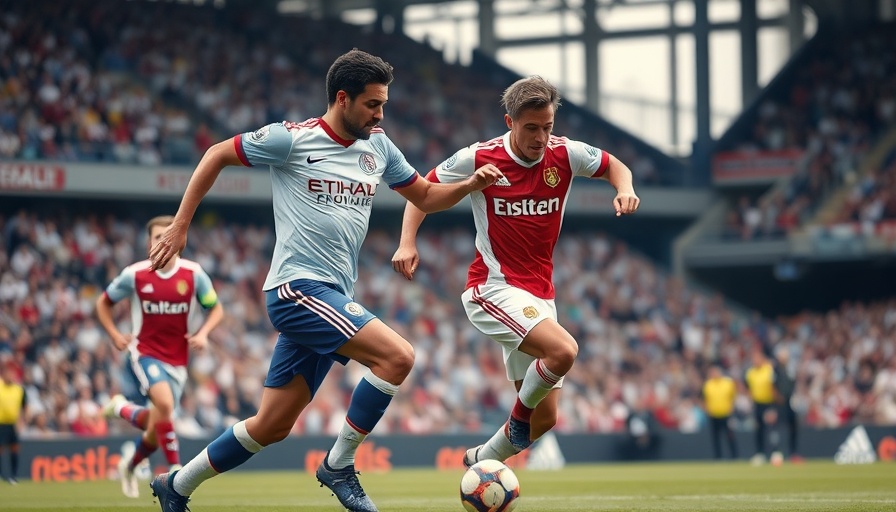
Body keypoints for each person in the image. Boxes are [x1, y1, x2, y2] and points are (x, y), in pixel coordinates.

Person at [146, 49, 502, 512]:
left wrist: (470, 184)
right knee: (397, 357)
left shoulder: (378, 146)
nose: (379, 114)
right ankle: (338, 465)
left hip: (332, 294)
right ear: (342, 98)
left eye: (383, 105)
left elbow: (428, 196)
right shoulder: (291, 140)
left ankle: (176, 485)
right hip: (297, 290)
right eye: (373, 104)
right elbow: (216, 154)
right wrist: (179, 225)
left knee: (271, 426)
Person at [391, 75, 640, 467]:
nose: (541, 138)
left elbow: (615, 166)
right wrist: (407, 241)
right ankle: (516, 418)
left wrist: (623, 188)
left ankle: (480, 459)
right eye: (531, 128)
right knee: (564, 351)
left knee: (546, 419)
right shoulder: (479, 157)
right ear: (510, 122)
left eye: (548, 127)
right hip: (492, 288)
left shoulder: (566, 154)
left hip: (541, 294)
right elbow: (422, 192)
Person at [96, 215, 224, 498]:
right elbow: (103, 303)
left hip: (178, 361)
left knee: (157, 426)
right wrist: (115, 335)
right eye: (156, 237)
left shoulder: (193, 274)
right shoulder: (136, 274)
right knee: (165, 406)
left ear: (181, 240)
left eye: (168, 235)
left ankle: (126, 447)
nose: (162, 241)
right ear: (148, 242)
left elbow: (215, 308)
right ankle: (176, 470)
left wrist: (203, 333)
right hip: (145, 353)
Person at [745, 346, 778, 465]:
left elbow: (774, 387)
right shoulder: (750, 372)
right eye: (754, 358)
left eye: (757, 358)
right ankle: (760, 454)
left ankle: (775, 452)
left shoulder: (769, 369)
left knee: (771, 429)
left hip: (769, 403)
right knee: (759, 429)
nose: (755, 360)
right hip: (757, 403)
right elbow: (748, 388)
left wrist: (774, 406)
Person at [702, 365, 738, 460]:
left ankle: (735, 456)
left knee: (730, 436)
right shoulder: (708, 384)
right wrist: (707, 409)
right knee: (715, 438)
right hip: (714, 415)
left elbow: (733, 397)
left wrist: (731, 408)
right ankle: (718, 457)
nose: (714, 374)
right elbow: (705, 399)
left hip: (726, 414)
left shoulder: (728, 383)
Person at [773, 346, 802, 463]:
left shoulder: (791, 369)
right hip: (780, 403)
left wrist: (795, 396)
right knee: (779, 429)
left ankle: (793, 453)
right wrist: (777, 397)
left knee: (793, 427)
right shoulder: (775, 370)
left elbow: (794, 384)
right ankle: (778, 453)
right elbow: (772, 386)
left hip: (791, 402)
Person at [0, 362, 26, 484]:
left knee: (14, 449)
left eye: (12, 373)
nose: (10, 375)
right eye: (8, 373)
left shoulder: (18, 390)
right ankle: (1, 475)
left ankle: (13, 476)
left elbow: (24, 406)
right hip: (0, 423)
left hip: (13, 424)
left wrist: (22, 421)